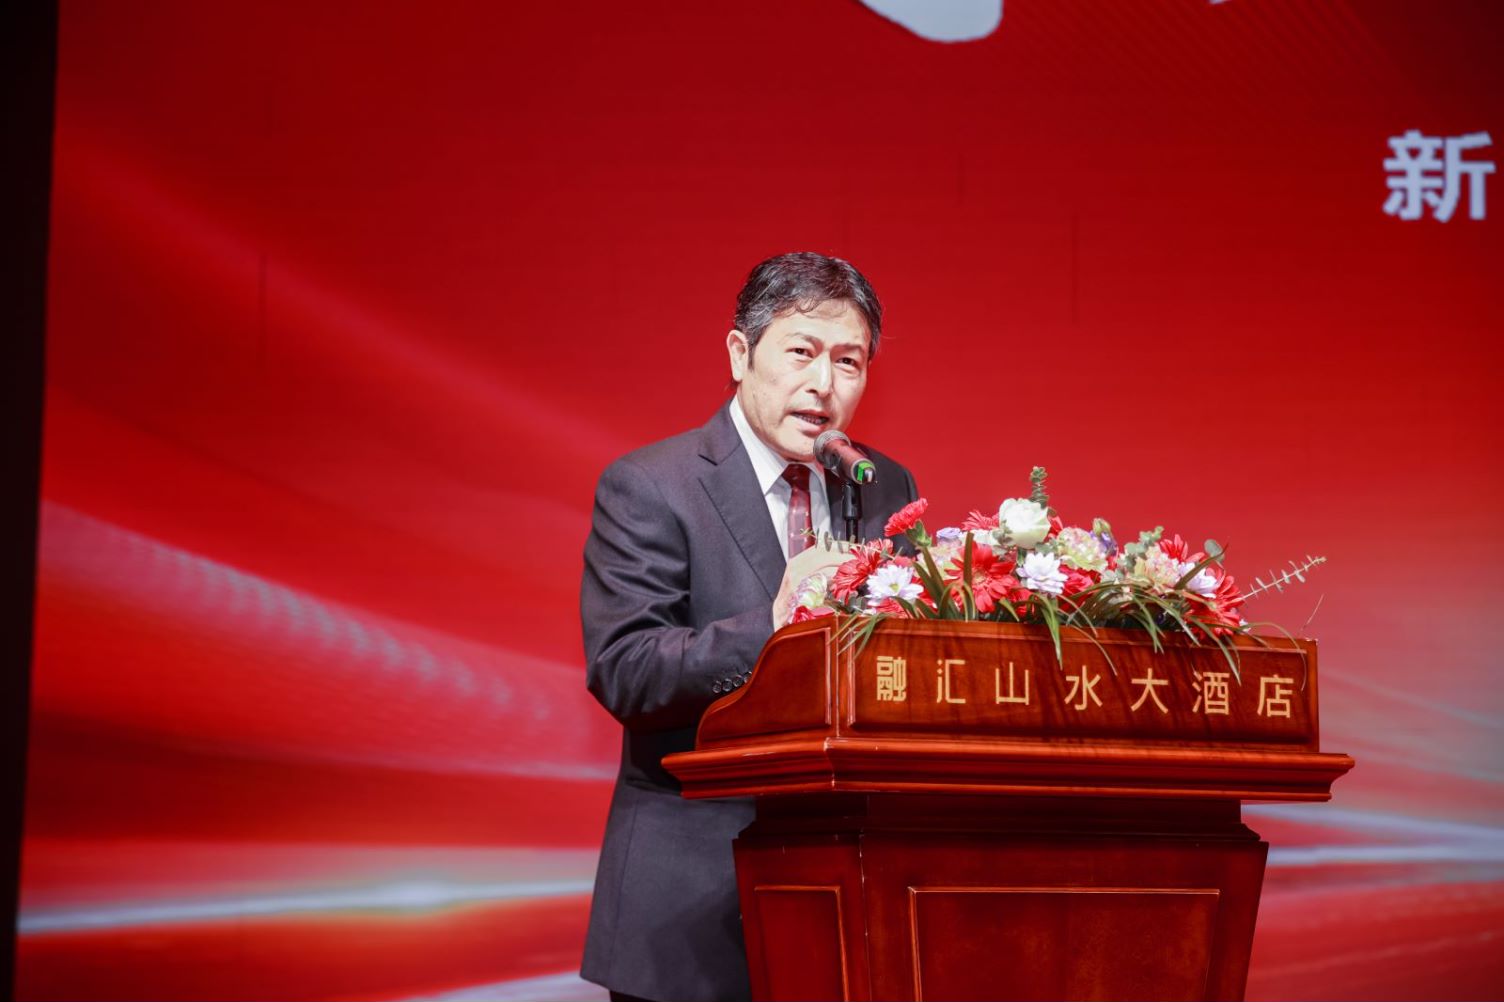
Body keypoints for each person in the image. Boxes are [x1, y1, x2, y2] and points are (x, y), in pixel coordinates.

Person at [579, 252, 918, 1002]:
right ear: (740, 354)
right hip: (689, 905)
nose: (824, 383)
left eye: (849, 361)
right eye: (801, 352)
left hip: (850, 899)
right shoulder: (651, 485)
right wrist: (774, 623)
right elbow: (627, 670)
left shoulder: (883, 485)